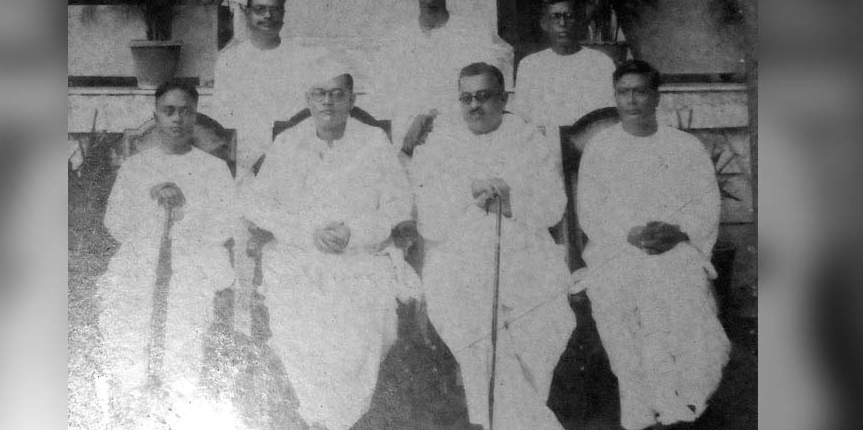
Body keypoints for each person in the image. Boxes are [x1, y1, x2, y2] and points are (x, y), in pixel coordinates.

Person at [241, 58, 420, 430]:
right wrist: (308, 231)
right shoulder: (288, 143)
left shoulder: (373, 141)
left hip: (360, 257)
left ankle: (343, 419)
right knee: (300, 326)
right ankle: (319, 418)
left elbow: (398, 204)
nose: (328, 102)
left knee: (362, 327)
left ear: (351, 99)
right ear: (308, 99)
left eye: (337, 94)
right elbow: (259, 204)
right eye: (320, 94)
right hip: (299, 256)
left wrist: (354, 231)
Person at [408, 62, 574, 430]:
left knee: (544, 326)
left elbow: (552, 206)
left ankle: (499, 420)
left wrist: (512, 200)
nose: (474, 106)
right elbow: (429, 218)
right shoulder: (441, 144)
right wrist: (467, 194)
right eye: (466, 98)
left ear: (503, 98)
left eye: (484, 96)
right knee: (475, 328)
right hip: (459, 260)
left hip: (527, 256)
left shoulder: (528, 139)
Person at [572, 60, 731, 430]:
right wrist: (629, 234)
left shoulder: (684, 146)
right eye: (624, 92)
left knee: (682, 292)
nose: (632, 100)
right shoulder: (601, 148)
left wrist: (677, 232)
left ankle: (682, 400)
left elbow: (706, 204)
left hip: (675, 248)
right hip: (618, 249)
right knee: (618, 296)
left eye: (640, 91)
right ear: (615, 96)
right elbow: (590, 212)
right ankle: (641, 401)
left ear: (656, 96)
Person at [98, 83, 239, 428]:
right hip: (142, 264)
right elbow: (114, 222)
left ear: (196, 115)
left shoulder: (213, 169)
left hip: (193, 264)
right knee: (131, 342)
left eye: (186, 111)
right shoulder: (136, 167)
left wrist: (185, 206)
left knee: (183, 349)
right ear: (156, 115)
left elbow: (225, 226)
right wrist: (153, 198)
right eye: (169, 111)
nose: (177, 119)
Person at [368, 0, 514, 156]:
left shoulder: (475, 35)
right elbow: (382, 104)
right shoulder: (395, 41)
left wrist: (431, 116)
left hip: (464, 145)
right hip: (408, 147)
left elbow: (490, 95)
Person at [211, 0, 328, 180]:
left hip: (291, 155)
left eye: (274, 10)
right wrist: (250, 158)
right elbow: (223, 116)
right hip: (244, 158)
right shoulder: (229, 60)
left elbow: (307, 114)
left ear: (283, 15)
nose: (267, 16)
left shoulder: (301, 58)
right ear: (248, 14)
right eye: (260, 9)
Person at [510, 0, 616, 154]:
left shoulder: (601, 63)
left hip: (591, 150)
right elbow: (522, 120)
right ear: (544, 24)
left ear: (580, 21)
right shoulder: (530, 65)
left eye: (569, 16)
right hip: (545, 153)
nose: (562, 23)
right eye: (555, 17)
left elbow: (608, 119)